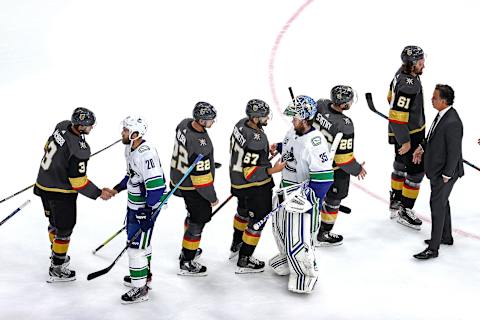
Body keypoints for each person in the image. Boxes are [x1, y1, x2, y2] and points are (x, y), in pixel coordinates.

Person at [33, 107, 113, 283]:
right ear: (81, 126)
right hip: (60, 193)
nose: (92, 128)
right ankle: (57, 266)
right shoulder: (80, 149)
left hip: (42, 184)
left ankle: (55, 254)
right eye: (89, 125)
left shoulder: (62, 125)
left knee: (53, 223)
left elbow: (46, 147)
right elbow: (78, 182)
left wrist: (60, 163)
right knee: (64, 229)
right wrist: (99, 193)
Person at [269, 95, 334, 293]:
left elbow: (324, 178)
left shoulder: (315, 143)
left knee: (302, 235)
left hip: (303, 196)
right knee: (281, 228)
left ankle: (306, 272)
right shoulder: (293, 131)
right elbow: (291, 146)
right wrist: (278, 147)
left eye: (295, 117)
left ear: (305, 119)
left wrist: (309, 200)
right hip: (285, 189)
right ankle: (289, 257)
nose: (292, 120)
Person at [109, 116, 166, 303]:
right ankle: (143, 275)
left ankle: (140, 288)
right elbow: (131, 175)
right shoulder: (129, 148)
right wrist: (117, 188)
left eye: (125, 131)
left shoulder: (146, 154)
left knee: (135, 249)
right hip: (135, 205)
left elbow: (156, 187)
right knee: (142, 245)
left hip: (145, 206)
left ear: (135, 134)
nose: (122, 133)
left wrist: (148, 211)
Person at [228, 99, 286, 273]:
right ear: (254, 118)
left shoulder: (240, 124)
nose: (267, 118)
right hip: (254, 186)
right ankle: (244, 259)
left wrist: (263, 155)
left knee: (242, 212)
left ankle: (236, 244)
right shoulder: (257, 139)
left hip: (237, 181)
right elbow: (251, 173)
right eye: (263, 116)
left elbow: (246, 152)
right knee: (258, 220)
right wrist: (273, 169)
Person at [412, 84, 463, 259]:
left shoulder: (453, 122)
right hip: (438, 171)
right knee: (442, 202)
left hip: (445, 173)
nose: (431, 100)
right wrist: (421, 147)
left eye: (434, 98)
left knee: (437, 205)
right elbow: (432, 137)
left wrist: (447, 174)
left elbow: (454, 152)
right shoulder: (442, 115)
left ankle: (433, 248)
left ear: (443, 100)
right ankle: (445, 236)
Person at [312, 85, 367, 246]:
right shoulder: (345, 123)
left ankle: (307, 228)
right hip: (332, 169)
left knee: (312, 196)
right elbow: (343, 159)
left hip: (311, 162)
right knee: (334, 199)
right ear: (344, 105)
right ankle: (324, 233)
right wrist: (357, 169)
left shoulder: (321, 104)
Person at [170, 102, 218, 276]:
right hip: (193, 187)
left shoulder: (184, 123)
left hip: (177, 178)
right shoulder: (202, 144)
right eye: (210, 120)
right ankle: (187, 260)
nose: (213, 122)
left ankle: (186, 248)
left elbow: (187, 151)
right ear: (202, 121)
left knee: (191, 215)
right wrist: (212, 198)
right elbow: (202, 182)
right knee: (198, 220)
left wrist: (207, 163)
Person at [387, 45, 426, 230]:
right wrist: (405, 140)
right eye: (420, 62)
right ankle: (405, 209)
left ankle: (395, 200)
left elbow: (390, 98)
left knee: (400, 165)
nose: (423, 65)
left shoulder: (399, 73)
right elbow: (397, 114)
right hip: (410, 134)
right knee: (416, 172)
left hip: (399, 130)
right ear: (411, 64)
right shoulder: (411, 84)